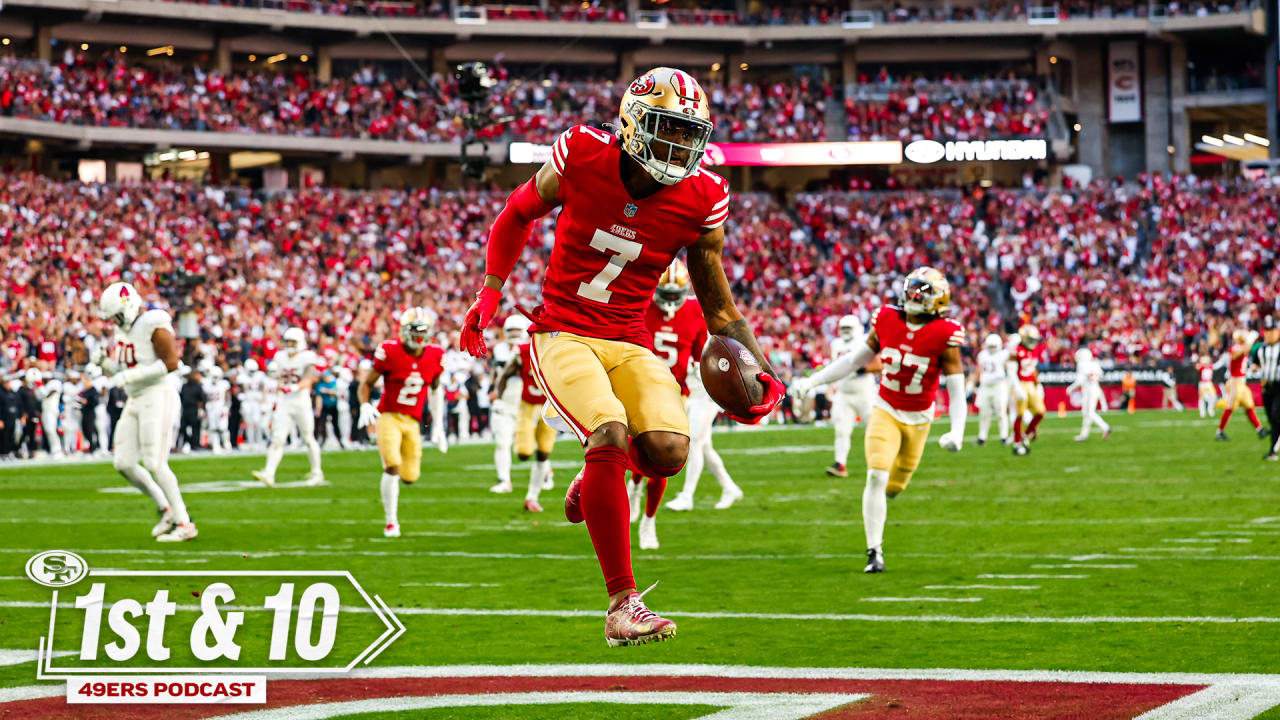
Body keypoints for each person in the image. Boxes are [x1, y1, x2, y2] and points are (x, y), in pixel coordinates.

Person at [457, 67, 783, 646]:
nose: (679, 144)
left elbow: (719, 306)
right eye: (668, 128)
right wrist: (490, 292)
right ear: (632, 123)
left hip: (630, 339)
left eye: (689, 134)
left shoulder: (703, 196)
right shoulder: (583, 153)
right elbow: (516, 213)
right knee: (608, 430)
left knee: (668, 453)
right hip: (562, 331)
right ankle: (621, 604)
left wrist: (761, 369)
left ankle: (595, 476)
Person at [791, 267, 967, 574]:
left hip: (919, 419)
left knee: (895, 485)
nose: (914, 295)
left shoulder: (944, 334)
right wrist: (813, 381)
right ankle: (874, 551)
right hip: (885, 408)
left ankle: (881, 506)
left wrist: (957, 430)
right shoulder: (887, 319)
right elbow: (852, 361)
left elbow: (956, 387)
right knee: (876, 474)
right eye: (913, 288)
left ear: (938, 299)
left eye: (923, 291)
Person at [98, 281, 197, 542]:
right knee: (123, 462)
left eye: (117, 316)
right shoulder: (122, 332)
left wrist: (131, 375)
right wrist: (105, 364)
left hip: (157, 394)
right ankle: (166, 508)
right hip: (135, 397)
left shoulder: (153, 323)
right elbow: (126, 371)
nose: (115, 322)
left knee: (155, 462)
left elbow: (172, 363)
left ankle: (185, 522)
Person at [653, 260, 744, 521]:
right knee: (703, 445)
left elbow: (706, 352)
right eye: (667, 294)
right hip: (685, 388)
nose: (671, 301)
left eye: (676, 295)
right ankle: (729, 487)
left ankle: (687, 496)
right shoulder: (652, 309)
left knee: (693, 440)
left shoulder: (696, 309)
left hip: (705, 387)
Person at [357, 307, 445, 537]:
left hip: (413, 421)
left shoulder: (435, 355)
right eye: (414, 330)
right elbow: (366, 383)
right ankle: (391, 522)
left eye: (423, 330)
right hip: (389, 416)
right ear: (404, 330)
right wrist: (365, 404)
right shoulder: (390, 351)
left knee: (410, 476)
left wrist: (438, 424)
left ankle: (393, 515)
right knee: (392, 466)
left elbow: (435, 390)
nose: (418, 335)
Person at [801, 314, 878, 477]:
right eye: (843, 328)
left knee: (875, 430)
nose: (845, 331)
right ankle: (840, 464)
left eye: (848, 328)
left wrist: (863, 369)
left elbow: (879, 363)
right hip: (843, 393)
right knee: (841, 431)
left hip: (865, 393)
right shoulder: (836, 344)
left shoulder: (865, 341)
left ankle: (881, 464)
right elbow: (835, 368)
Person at [253, 328, 325, 486]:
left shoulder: (307, 357)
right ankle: (269, 473)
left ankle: (317, 472)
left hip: (301, 401)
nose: (290, 345)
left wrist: (294, 387)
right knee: (277, 438)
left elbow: (309, 379)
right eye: (288, 341)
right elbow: (276, 375)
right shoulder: (280, 357)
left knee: (308, 438)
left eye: (293, 342)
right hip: (284, 402)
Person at [493, 337, 558, 512]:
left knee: (543, 453)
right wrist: (499, 398)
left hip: (549, 406)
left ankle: (532, 498)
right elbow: (505, 375)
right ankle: (529, 443)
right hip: (527, 406)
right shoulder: (523, 352)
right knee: (523, 453)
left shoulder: (560, 349)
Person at [488, 315, 530, 494]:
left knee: (531, 444)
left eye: (517, 331)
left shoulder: (530, 348)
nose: (513, 334)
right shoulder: (500, 349)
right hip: (505, 401)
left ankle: (545, 474)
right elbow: (495, 371)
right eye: (511, 331)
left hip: (525, 400)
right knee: (502, 442)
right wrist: (492, 389)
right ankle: (504, 479)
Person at [1217, 329, 1266, 441]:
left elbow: (1248, 350)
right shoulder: (1236, 347)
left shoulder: (1243, 347)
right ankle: (1220, 432)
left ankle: (1260, 429)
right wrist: (1250, 339)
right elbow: (1237, 354)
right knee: (1230, 407)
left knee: (1249, 405)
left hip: (1242, 383)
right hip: (1235, 382)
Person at [1011, 325, 1046, 456]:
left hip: (1031, 384)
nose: (1033, 342)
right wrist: (1017, 387)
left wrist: (1038, 384)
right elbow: (1011, 372)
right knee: (1019, 414)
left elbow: (1033, 369)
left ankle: (1025, 435)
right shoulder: (1016, 351)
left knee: (1041, 412)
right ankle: (1017, 442)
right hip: (1020, 383)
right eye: (1031, 339)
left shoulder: (1033, 351)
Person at [974, 333, 1011, 446]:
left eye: (994, 346)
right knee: (984, 413)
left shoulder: (1003, 354)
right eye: (990, 346)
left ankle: (1004, 436)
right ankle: (982, 437)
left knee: (1001, 412)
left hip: (999, 386)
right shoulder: (982, 355)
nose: (992, 348)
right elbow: (979, 369)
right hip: (985, 386)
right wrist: (976, 382)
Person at [1251, 316, 1280, 460]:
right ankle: (1273, 448)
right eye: (1266, 331)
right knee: (1271, 418)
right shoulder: (1260, 349)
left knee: (1276, 416)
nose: (1268, 334)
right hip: (1266, 387)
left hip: (1279, 386)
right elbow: (1256, 364)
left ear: (1277, 332)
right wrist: (1254, 367)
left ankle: (1272, 451)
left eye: (1271, 330)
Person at [1067, 348, 1110, 441]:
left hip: (1089, 390)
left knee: (1089, 413)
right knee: (1086, 413)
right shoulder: (1095, 364)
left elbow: (1080, 381)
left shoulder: (1082, 365)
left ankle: (1105, 427)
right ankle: (1084, 434)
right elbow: (1101, 376)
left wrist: (1070, 388)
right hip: (1096, 389)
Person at [203, 366, 231, 453]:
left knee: (223, 427)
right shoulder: (206, 384)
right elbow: (205, 398)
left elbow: (228, 396)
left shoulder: (224, 384)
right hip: (211, 409)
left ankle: (226, 444)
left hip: (221, 408)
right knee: (213, 428)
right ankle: (216, 445)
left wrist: (227, 407)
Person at [36, 370, 63, 458]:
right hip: (45, 410)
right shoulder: (45, 386)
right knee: (48, 431)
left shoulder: (54, 383)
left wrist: (39, 385)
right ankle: (53, 449)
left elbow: (46, 394)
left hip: (51, 410)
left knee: (51, 430)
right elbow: (39, 397)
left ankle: (57, 449)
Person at [315, 369, 344, 449]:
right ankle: (323, 440)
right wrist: (318, 409)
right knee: (322, 424)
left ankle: (340, 440)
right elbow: (319, 397)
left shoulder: (333, 383)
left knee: (335, 424)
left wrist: (326, 391)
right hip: (325, 406)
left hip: (333, 406)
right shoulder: (320, 385)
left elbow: (336, 392)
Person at [177, 369, 205, 453]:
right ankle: (188, 442)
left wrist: (201, 409)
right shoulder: (184, 386)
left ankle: (195, 445)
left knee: (195, 428)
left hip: (194, 409)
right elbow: (181, 397)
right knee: (182, 428)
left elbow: (202, 398)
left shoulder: (198, 386)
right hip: (185, 409)